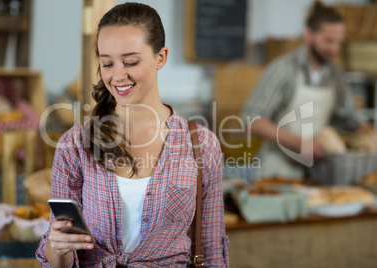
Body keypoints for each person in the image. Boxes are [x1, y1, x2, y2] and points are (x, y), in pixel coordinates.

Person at [36, 2, 229, 267]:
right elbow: (57, 258)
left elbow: (212, 249)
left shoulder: (201, 144)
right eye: (107, 63)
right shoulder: (74, 144)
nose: (118, 75)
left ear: (161, 57)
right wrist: (57, 246)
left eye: (131, 62)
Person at [242, 1, 369, 179]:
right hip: (278, 172)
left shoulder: (336, 75)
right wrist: (297, 143)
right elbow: (251, 120)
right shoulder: (283, 69)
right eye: (328, 41)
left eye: (338, 42)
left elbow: (351, 120)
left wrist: (368, 133)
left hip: (319, 174)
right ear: (308, 34)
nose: (334, 49)